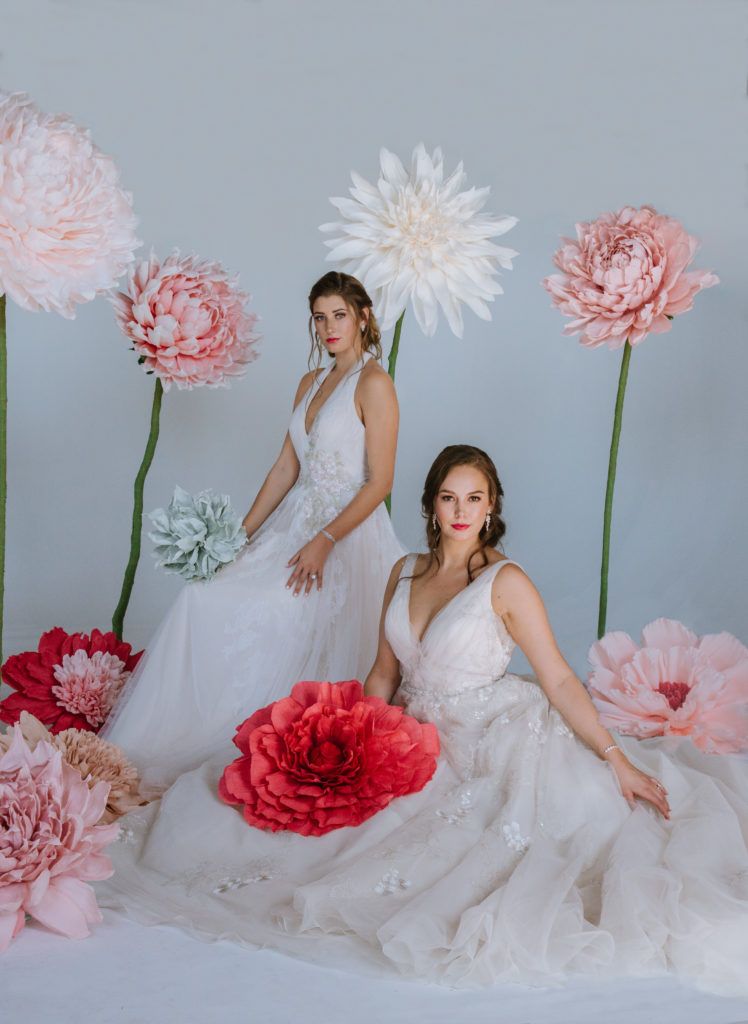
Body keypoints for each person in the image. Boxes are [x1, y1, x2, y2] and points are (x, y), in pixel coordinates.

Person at [99, 445, 748, 995]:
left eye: (475, 498)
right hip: (410, 728)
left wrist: (617, 759)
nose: (462, 512)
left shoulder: (506, 582)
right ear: (431, 505)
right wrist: (357, 734)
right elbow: (386, 671)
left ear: (492, 506)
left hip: (492, 735)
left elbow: (555, 677)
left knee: (475, 843)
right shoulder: (404, 572)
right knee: (292, 808)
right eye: (449, 498)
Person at [101, 271, 404, 790]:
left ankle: (256, 727)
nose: (329, 326)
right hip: (295, 526)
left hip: (344, 536)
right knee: (204, 595)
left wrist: (324, 542)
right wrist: (234, 541)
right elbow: (286, 469)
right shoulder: (309, 382)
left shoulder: (375, 384)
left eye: (339, 315)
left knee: (280, 613)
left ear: (363, 318)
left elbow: (380, 483)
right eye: (319, 317)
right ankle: (176, 727)